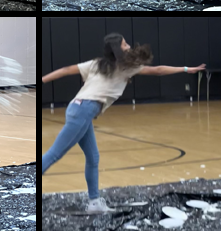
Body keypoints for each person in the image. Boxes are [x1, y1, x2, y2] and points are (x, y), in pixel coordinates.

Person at [42, 33, 206, 213]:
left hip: (78, 109)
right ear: (117, 49)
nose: (128, 46)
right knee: (54, 155)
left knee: (93, 157)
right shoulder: (125, 68)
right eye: (125, 44)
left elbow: (66, 69)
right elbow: (157, 70)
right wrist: (185, 69)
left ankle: (94, 202)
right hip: (83, 111)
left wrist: (42, 80)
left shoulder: (97, 63)